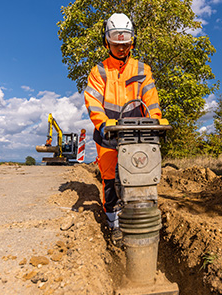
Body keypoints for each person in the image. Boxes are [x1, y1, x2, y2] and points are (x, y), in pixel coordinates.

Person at [84, 13, 162, 244]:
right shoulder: (98, 72)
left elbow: (151, 98)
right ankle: (113, 222)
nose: (121, 48)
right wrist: (102, 122)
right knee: (109, 178)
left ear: (132, 42)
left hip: (137, 133)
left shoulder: (141, 68)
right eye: (117, 44)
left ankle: (143, 214)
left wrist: (155, 119)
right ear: (107, 42)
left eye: (125, 44)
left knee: (142, 174)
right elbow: (93, 100)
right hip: (108, 134)